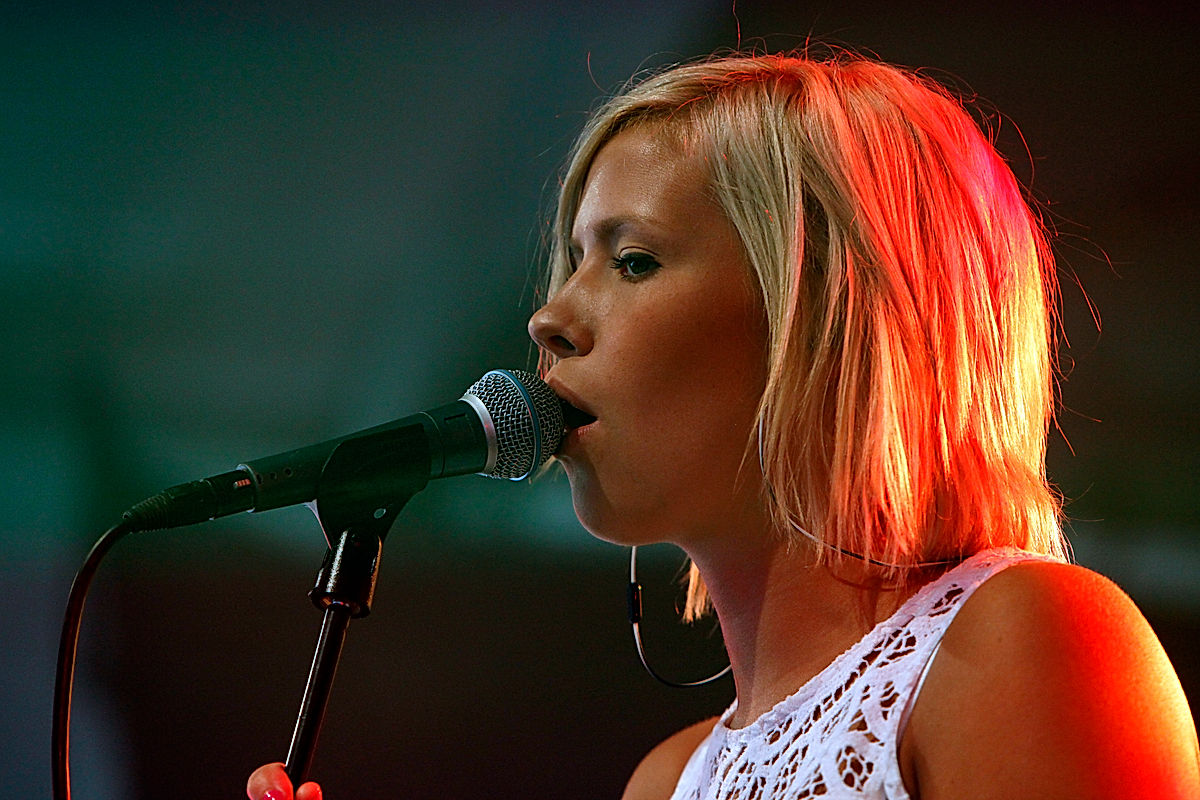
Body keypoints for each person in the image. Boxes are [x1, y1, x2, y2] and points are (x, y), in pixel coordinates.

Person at [248, 51, 1200, 799]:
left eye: (631, 262)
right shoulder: (666, 783)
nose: (548, 319)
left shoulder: (1024, 646)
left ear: (826, 315)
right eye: (572, 261)